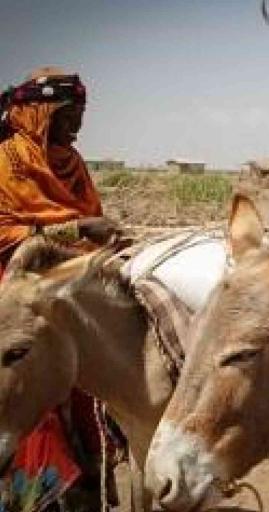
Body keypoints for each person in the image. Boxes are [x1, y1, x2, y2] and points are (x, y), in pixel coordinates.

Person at [0, 67, 122, 511]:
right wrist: (74, 228)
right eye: (69, 114)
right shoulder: (6, 160)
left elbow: (92, 220)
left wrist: (105, 241)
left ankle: (90, 481)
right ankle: (33, 496)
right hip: (13, 291)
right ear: (38, 113)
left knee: (97, 377)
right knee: (31, 388)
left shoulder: (73, 165)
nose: (77, 125)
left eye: (82, 115)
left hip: (69, 287)